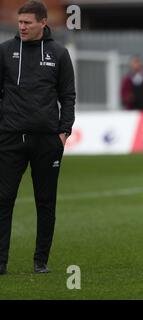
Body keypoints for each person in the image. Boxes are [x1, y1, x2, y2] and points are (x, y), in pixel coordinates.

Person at [0, 0, 75, 275]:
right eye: (19, 22)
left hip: (47, 141)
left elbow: (67, 96)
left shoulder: (59, 53)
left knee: (45, 202)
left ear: (43, 22)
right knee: (3, 199)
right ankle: (0, 262)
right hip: (10, 139)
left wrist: (64, 132)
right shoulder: (5, 51)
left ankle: (40, 261)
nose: (21, 27)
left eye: (27, 22)